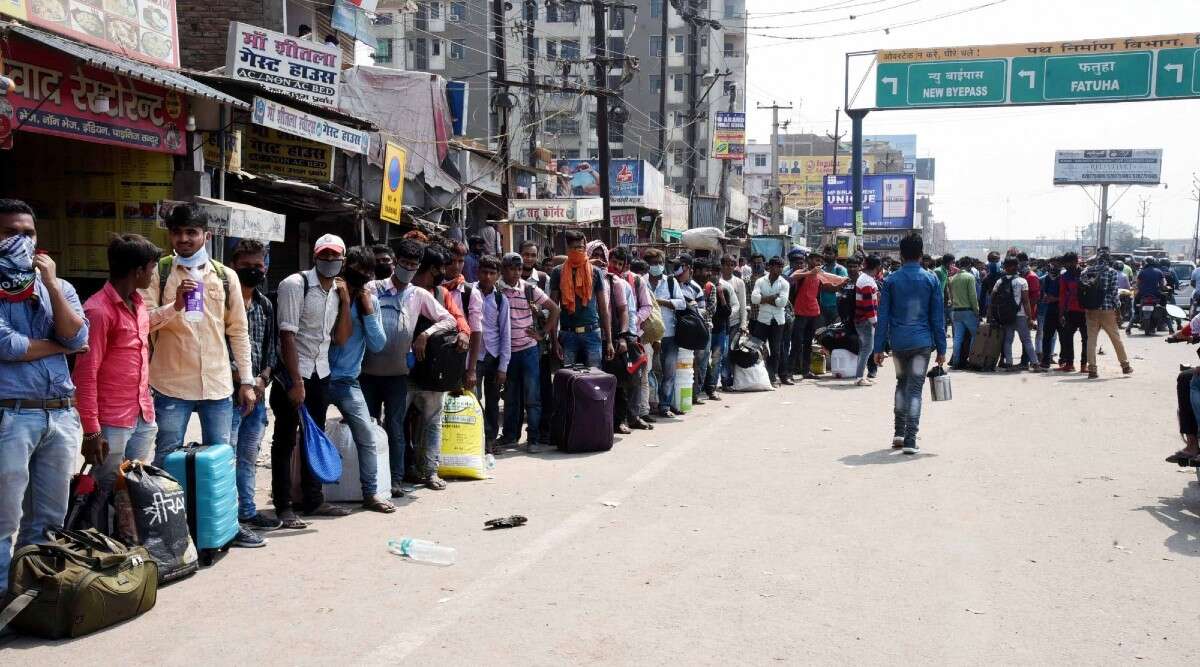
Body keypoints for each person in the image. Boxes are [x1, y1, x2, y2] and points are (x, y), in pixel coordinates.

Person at [0, 199, 88, 595]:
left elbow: (79, 336)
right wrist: (62, 347)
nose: (21, 240)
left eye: (29, 233)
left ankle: (32, 596)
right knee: (4, 520)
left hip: (60, 415)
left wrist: (50, 283)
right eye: (10, 233)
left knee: (49, 518)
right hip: (12, 417)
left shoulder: (60, 286)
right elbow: (9, 346)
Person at [145, 205, 255, 466]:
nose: (183, 239)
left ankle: (212, 509)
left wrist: (247, 381)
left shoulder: (225, 276)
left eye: (191, 232)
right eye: (177, 232)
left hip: (217, 385)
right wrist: (175, 306)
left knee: (219, 457)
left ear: (206, 236)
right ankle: (171, 507)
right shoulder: (159, 273)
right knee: (167, 456)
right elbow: (142, 324)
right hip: (171, 384)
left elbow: (238, 331)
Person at [361, 240, 457, 497]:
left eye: (412, 266)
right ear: (395, 262)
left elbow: (449, 320)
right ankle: (369, 482)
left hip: (398, 375)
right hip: (367, 373)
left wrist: (426, 334)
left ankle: (395, 480)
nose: (407, 269)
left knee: (395, 428)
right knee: (368, 428)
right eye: (403, 264)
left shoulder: (419, 295)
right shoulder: (373, 289)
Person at [269, 234, 353, 529]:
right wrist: (296, 381)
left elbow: (341, 338)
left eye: (334, 257)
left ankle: (313, 499)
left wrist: (345, 300)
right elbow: (287, 335)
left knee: (314, 439)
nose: (329, 262)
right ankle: (283, 506)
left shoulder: (335, 292)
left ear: (342, 260)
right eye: (324, 256)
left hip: (321, 372)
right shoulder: (296, 284)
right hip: (295, 374)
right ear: (315, 257)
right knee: (285, 441)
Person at [73, 235, 161, 497]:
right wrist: (91, 431)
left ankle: (126, 536)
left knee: (133, 488)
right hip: (112, 419)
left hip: (142, 413)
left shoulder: (139, 302)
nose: (153, 275)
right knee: (105, 491)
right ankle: (105, 538)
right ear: (138, 271)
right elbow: (85, 374)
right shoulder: (98, 310)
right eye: (152, 269)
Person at [326, 246, 395, 513]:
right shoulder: (329, 294)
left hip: (347, 381)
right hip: (319, 377)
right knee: (310, 436)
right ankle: (309, 493)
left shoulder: (371, 301)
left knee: (365, 435)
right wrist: (344, 301)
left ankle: (371, 492)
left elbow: (378, 344)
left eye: (366, 273)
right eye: (356, 270)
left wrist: (366, 310)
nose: (361, 277)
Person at [226, 240, 283, 533]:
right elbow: (219, 349)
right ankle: (225, 517)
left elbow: (272, 349)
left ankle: (247, 511)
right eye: (246, 266)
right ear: (234, 266)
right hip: (228, 394)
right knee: (227, 457)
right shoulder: (222, 302)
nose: (253, 271)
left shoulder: (265, 304)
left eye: (258, 266)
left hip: (257, 394)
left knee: (248, 455)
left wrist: (261, 380)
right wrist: (242, 380)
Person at [873, 233, 946, 455]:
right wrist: (942, 349)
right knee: (914, 390)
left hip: (899, 343)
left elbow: (882, 316)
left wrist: (878, 348)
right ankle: (911, 439)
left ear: (901, 255)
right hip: (922, 343)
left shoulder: (891, 280)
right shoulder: (931, 279)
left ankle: (898, 432)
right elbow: (937, 318)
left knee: (901, 385)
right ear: (921, 254)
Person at [408, 245, 473, 489]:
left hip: (433, 370)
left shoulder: (441, 294)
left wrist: (464, 334)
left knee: (432, 421)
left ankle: (429, 470)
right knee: (398, 422)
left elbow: (459, 320)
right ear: (432, 269)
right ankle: (400, 471)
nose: (448, 271)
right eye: (443, 267)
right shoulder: (404, 291)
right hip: (403, 369)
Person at [499, 252, 560, 448]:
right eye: (512, 268)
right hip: (507, 353)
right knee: (511, 398)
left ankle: (533, 437)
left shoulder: (529, 289)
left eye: (518, 269)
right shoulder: (497, 290)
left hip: (528, 351)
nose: (516, 273)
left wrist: (542, 333)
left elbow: (554, 309)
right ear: (503, 269)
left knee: (533, 398)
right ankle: (510, 436)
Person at [550, 230, 614, 368]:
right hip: (567, 334)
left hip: (592, 333)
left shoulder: (595, 271)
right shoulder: (558, 272)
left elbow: (603, 308)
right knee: (568, 379)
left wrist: (609, 341)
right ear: (568, 249)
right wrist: (554, 341)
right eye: (575, 248)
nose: (579, 250)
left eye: (581, 247)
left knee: (594, 380)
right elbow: (554, 308)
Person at [611, 246, 655, 426]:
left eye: (620, 264)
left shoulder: (634, 281)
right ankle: (617, 419)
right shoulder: (600, 279)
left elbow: (646, 307)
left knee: (634, 377)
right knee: (616, 380)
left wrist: (634, 321)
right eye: (613, 262)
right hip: (607, 336)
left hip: (631, 336)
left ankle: (634, 416)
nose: (616, 266)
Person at [472, 255, 511, 447]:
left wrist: (503, 366)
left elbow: (505, 333)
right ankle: (478, 437)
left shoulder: (500, 299)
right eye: (484, 272)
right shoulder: (469, 293)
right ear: (478, 272)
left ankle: (490, 440)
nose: (487, 277)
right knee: (474, 398)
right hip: (474, 358)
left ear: (497, 276)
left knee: (493, 401)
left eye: (492, 273)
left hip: (494, 357)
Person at [1082, 249, 1133, 379]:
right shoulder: (1111, 272)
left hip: (1091, 310)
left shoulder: (1086, 271)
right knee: (1116, 338)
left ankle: (1092, 369)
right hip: (1107, 310)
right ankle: (1125, 366)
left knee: (1091, 340)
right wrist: (1118, 311)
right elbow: (1114, 294)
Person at [646, 248, 685, 417]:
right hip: (648, 335)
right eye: (654, 263)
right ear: (648, 265)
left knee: (669, 372)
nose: (658, 266)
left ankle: (665, 406)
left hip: (668, 333)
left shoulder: (670, 282)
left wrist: (663, 302)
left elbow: (682, 303)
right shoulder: (641, 281)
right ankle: (649, 405)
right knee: (650, 371)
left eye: (660, 263)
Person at [444, 240, 484, 389]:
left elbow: (476, 331)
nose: (456, 266)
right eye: (452, 261)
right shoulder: (432, 288)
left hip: (462, 364)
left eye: (460, 261)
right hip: (436, 361)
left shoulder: (469, 292)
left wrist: (472, 370)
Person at [788, 252, 834, 382]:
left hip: (813, 312)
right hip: (800, 312)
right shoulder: (803, 272)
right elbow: (792, 277)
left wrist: (841, 283)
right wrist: (810, 272)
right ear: (809, 260)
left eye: (820, 261)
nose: (818, 263)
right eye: (816, 260)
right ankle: (790, 372)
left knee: (808, 343)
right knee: (796, 343)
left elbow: (830, 284)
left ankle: (806, 371)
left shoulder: (820, 275)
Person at [992, 257, 1042, 372]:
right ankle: (1035, 363)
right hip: (1020, 315)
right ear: (1016, 266)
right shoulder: (1022, 281)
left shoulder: (1000, 281)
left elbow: (993, 300)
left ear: (1006, 267)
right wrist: (1030, 318)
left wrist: (993, 315)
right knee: (1026, 340)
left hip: (1006, 315)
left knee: (1008, 340)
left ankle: (1009, 363)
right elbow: (1026, 301)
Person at [751, 256, 791, 387]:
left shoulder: (784, 283)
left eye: (781, 267)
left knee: (776, 350)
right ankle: (757, 376)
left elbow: (782, 303)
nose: (779, 269)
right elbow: (754, 299)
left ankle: (773, 377)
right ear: (770, 267)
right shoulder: (760, 281)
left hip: (778, 321)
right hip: (762, 319)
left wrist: (764, 299)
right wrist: (772, 297)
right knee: (756, 347)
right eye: (776, 266)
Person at [718, 254, 749, 390]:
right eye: (726, 264)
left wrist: (743, 324)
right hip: (720, 323)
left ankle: (727, 380)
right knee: (721, 353)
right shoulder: (717, 281)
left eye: (732, 264)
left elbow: (742, 304)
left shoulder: (739, 282)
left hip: (734, 323)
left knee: (729, 353)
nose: (729, 267)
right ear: (722, 265)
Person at [851, 255, 881, 385]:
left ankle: (860, 375)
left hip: (861, 318)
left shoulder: (864, 279)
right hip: (865, 320)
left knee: (864, 348)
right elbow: (868, 305)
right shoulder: (867, 282)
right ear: (877, 267)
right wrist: (875, 322)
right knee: (867, 349)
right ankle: (859, 378)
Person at [1058, 252, 1088, 373]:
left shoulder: (1086, 273)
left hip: (1086, 311)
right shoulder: (1064, 276)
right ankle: (1070, 364)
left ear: (1076, 261)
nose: (1067, 265)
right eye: (1066, 263)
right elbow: (1062, 295)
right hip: (1071, 311)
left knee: (1086, 339)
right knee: (1067, 337)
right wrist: (1061, 312)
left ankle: (1084, 365)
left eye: (1069, 262)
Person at [947, 256, 979, 368]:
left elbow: (950, 296)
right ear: (969, 265)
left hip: (956, 311)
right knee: (975, 335)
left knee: (958, 338)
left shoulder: (952, 278)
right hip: (968, 311)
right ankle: (971, 359)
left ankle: (956, 362)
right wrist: (977, 311)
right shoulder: (970, 277)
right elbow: (972, 296)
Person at [1037, 256, 1061, 369]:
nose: (1054, 267)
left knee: (1057, 335)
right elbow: (1040, 296)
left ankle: (1053, 357)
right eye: (1052, 264)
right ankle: (1044, 357)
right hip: (1045, 310)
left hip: (1060, 311)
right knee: (1045, 335)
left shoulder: (1062, 278)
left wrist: (1055, 299)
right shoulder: (1043, 279)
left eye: (1056, 264)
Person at [819, 245, 848, 328]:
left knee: (835, 332)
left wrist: (827, 286)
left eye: (829, 253)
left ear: (836, 255)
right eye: (825, 253)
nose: (826, 255)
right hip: (822, 307)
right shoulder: (821, 269)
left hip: (836, 308)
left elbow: (842, 287)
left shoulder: (841, 269)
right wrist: (832, 286)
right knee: (821, 333)